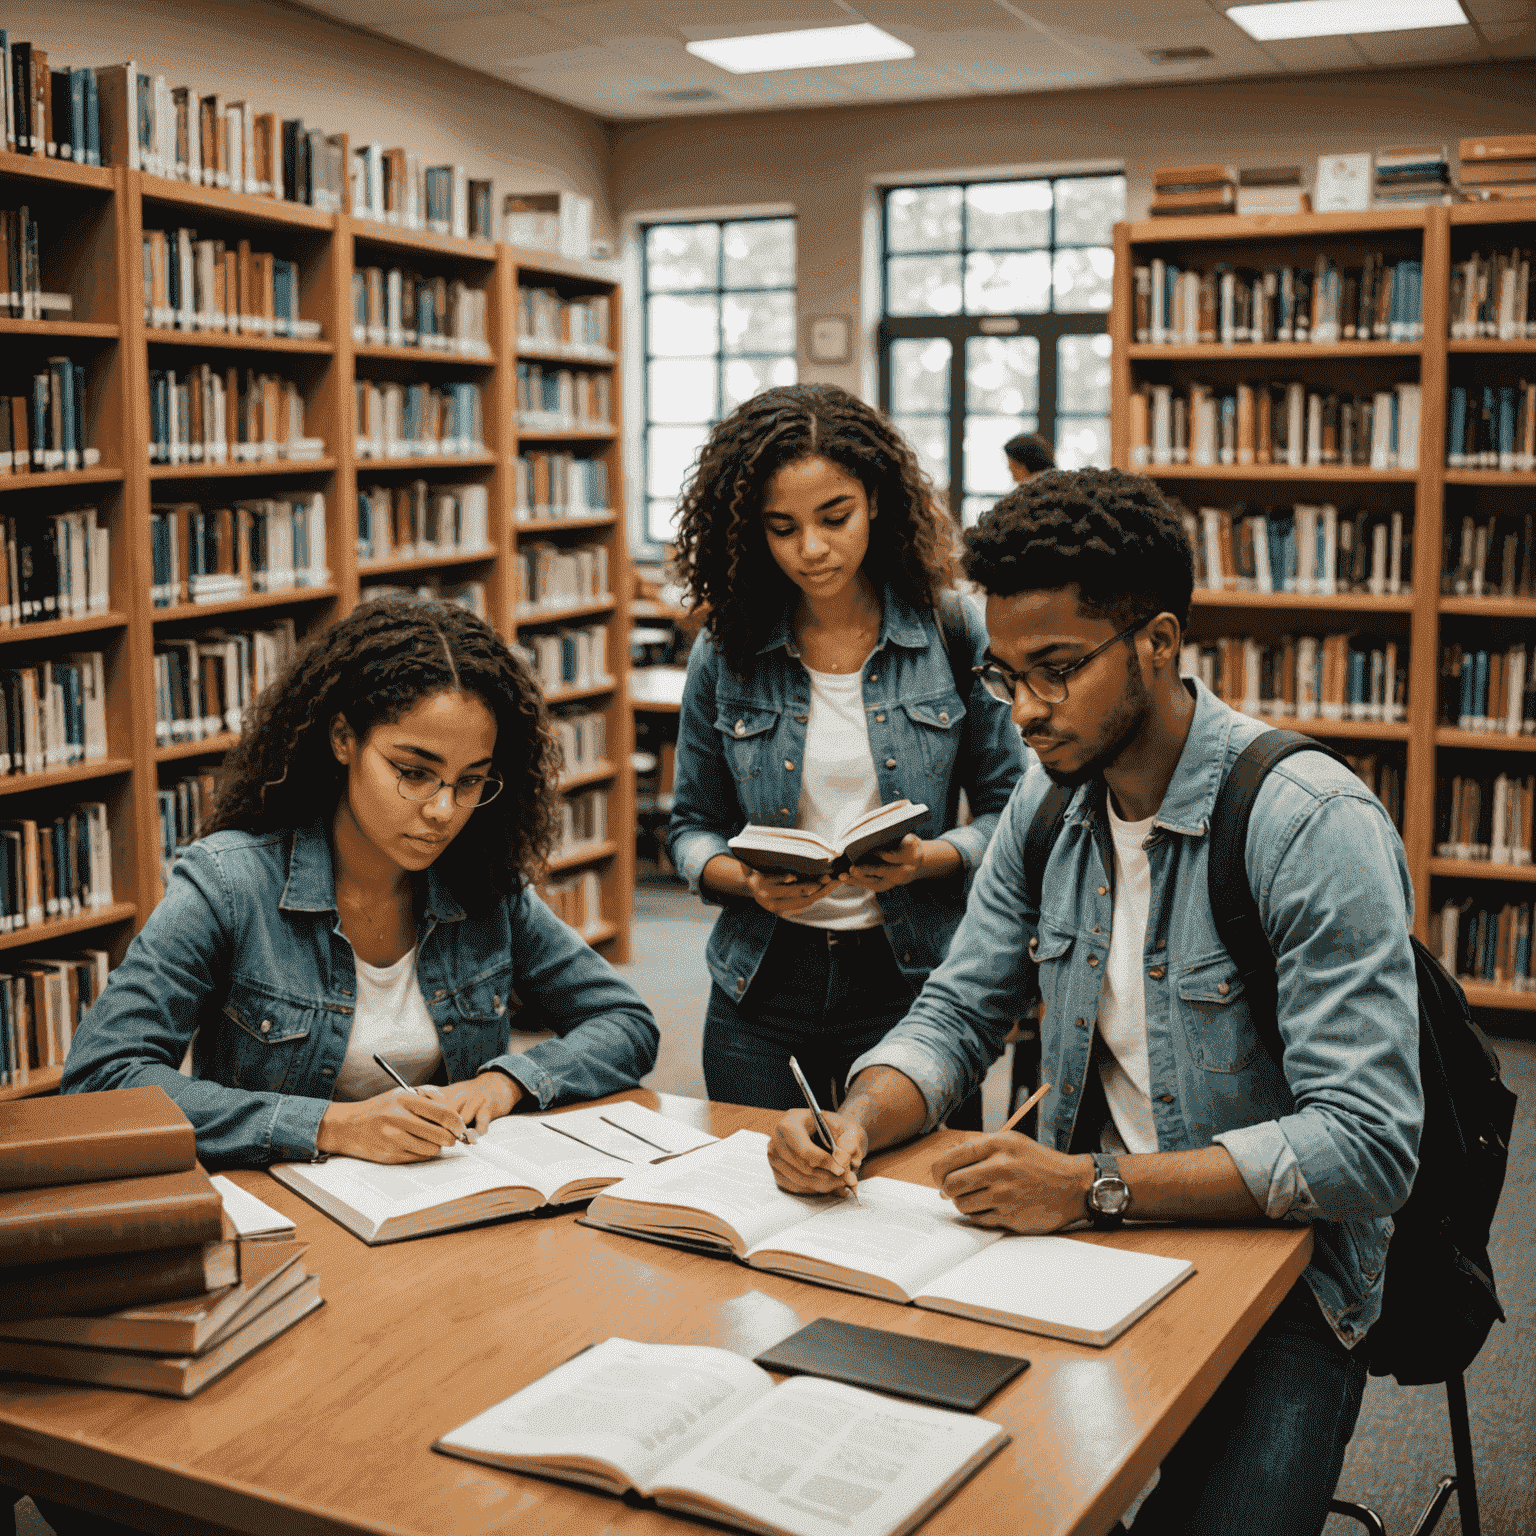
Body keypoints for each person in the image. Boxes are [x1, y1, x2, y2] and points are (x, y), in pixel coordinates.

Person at [767, 467, 1423, 1536]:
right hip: (1080, 1244)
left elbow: (1365, 1146)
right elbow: (957, 1012)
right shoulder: (1048, 800)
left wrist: (1094, 1187)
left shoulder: (1309, 824)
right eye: (1005, 675)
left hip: (1282, 1281)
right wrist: (859, 1113)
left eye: (1058, 670)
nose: (1025, 711)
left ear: (1158, 643)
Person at [63, 596, 659, 1166]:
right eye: (414, 772)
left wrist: (507, 1083)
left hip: (448, 1205)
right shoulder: (228, 884)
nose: (443, 811)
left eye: (471, 781)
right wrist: (328, 1126)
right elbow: (102, 1081)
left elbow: (625, 1023)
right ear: (344, 739)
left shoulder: (484, 887)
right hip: (286, 1213)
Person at [667, 383, 1029, 1114]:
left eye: (835, 517)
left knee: (915, 1214)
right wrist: (744, 880)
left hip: (915, 981)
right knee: (755, 1201)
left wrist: (928, 858)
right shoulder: (726, 651)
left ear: (877, 501)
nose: (812, 549)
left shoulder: (953, 635)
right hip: (760, 987)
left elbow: (1012, 813)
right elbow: (688, 828)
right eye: (782, 527)